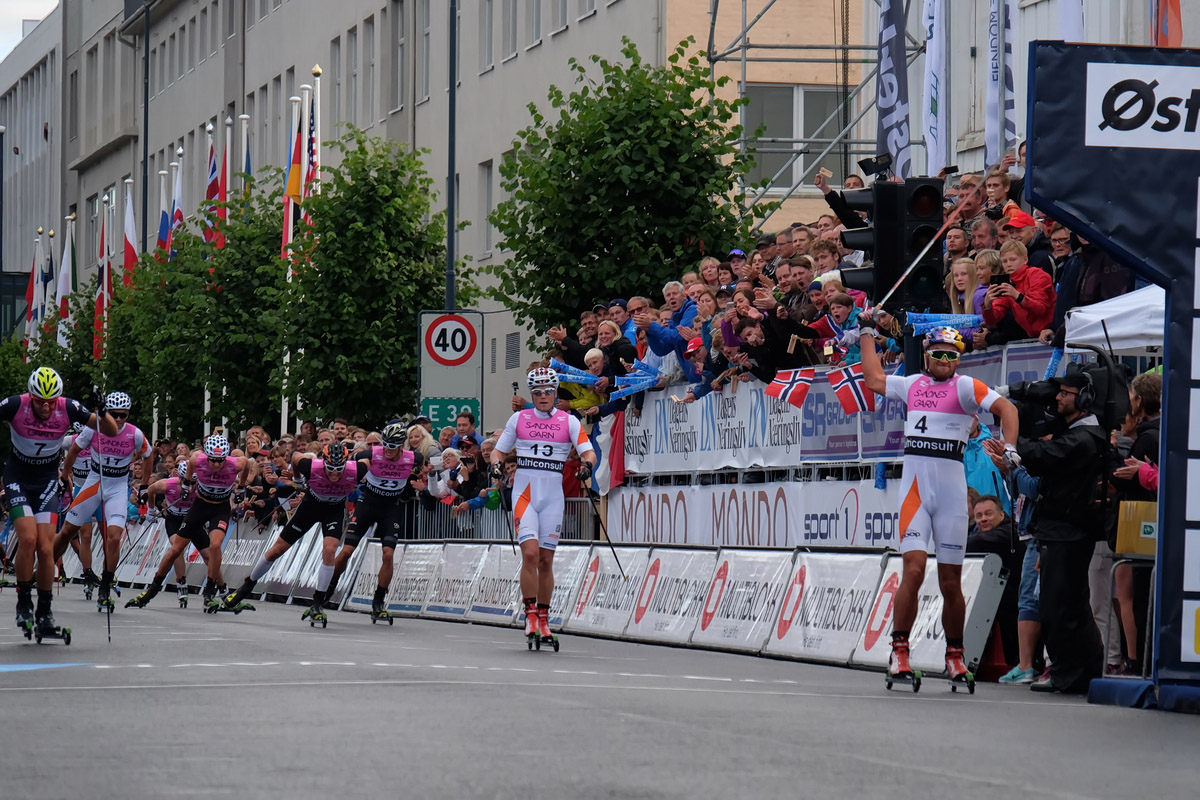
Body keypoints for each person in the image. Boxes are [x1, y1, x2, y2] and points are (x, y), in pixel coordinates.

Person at [859, 326, 1019, 685]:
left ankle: (955, 655)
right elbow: (873, 379)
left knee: (950, 582)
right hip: (915, 495)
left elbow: (1007, 408)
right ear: (927, 356)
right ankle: (899, 652)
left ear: (958, 359)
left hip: (951, 498)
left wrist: (1009, 447)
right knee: (913, 571)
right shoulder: (912, 384)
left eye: (952, 355)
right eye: (939, 353)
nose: (945, 360)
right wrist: (867, 332)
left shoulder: (965, 387)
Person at [0, 367, 118, 636]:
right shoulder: (16, 404)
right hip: (18, 479)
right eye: (40, 401)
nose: (45, 407)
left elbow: (110, 431)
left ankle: (44, 611)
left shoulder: (68, 407)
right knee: (28, 539)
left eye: (50, 402)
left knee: (45, 548)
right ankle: (23, 602)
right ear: (31, 396)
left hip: (45, 481)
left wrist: (102, 410)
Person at [1016, 371, 1108, 693]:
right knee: (1070, 604)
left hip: (1069, 531)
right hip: (1060, 530)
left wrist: (1012, 441)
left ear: (1084, 399)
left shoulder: (1083, 438)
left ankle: (1071, 673)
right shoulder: (1076, 433)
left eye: (1066, 393)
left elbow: (1041, 456)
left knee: (1060, 606)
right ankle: (1081, 673)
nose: (1058, 398)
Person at [491, 368, 596, 646]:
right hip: (525, 494)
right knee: (530, 554)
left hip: (552, 497)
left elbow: (589, 452)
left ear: (555, 391)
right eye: (537, 392)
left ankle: (544, 619)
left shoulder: (568, 421)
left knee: (546, 561)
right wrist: (496, 464)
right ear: (531, 394)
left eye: (548, 391)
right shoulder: (519, 418)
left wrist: (586, 465)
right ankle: (529, 615)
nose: (543, 396)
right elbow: (498, 450)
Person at [220, 443, 361, 625]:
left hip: (333, 511)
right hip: (310, 507)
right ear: (323, 462)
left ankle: (318, 603)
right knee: (277, 550)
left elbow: (368, 460)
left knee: (329, 550)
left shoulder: (356, 469)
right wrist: (298, 479)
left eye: (339, 470)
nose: (334, 475)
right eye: (330, 469)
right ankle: (246, 587)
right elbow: (294, 457)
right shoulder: (312, 466)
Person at [126, 435, 253, 608]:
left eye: (220, 461)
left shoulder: (236, 463)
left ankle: (210, 590)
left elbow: (246, 464)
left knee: (215, 546)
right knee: (176, 549)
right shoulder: (197, 459)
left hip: (220, 509)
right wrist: (186, 482)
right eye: (213, 460)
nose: (216, 465)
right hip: (200, 507)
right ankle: (153, 588)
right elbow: (191, 463)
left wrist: (242, 486)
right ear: (207, 456)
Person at [53, 391, 153, 612]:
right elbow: (74, 450)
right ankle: (43, 567)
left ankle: (105, 586)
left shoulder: (135, 434)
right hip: (94, 483)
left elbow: (149, 456)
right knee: (68, 531)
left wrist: (145, 485)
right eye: (114, 414)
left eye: (123, 415)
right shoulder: (93, 428)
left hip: (117, 488)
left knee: (114, 537)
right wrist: (64, 477)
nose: (118, 419)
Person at [327, 422, 425, 621]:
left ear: (401, 446)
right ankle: (329, 586)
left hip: (390, 508)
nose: (387, 450)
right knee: (346, 551)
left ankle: (378, 601)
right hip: (368, 504)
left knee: (388, 554)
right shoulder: (371, 454)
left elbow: (421, 468)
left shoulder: (414, 458)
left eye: (392, 446)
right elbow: (352, 462)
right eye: (385, 445)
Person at [145, 460, 201, 607]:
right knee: (177, 548)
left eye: (194, 482)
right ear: (180, 477)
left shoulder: (200, 485)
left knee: (207, 553)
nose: (191, 485)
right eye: (187, 481)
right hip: (173, 519)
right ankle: (181, 583)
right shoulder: (167, 484)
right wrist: (151, 510)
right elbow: (150, 490)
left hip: (190, 518)